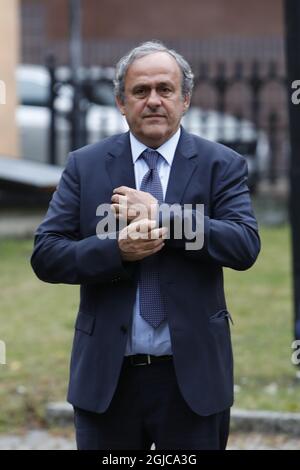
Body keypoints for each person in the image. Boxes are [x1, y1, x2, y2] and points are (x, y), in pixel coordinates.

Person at [31, 41, 260, 450]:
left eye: (165, 90)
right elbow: (46, 254)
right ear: (121, 102)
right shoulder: (85, 165)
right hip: (108, 381)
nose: (153, 100)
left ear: (185, 99)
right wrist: (116, 250)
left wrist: (165, 218)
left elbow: (244, 245)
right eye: (140, 91)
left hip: (192, 383)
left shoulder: (220, 164)